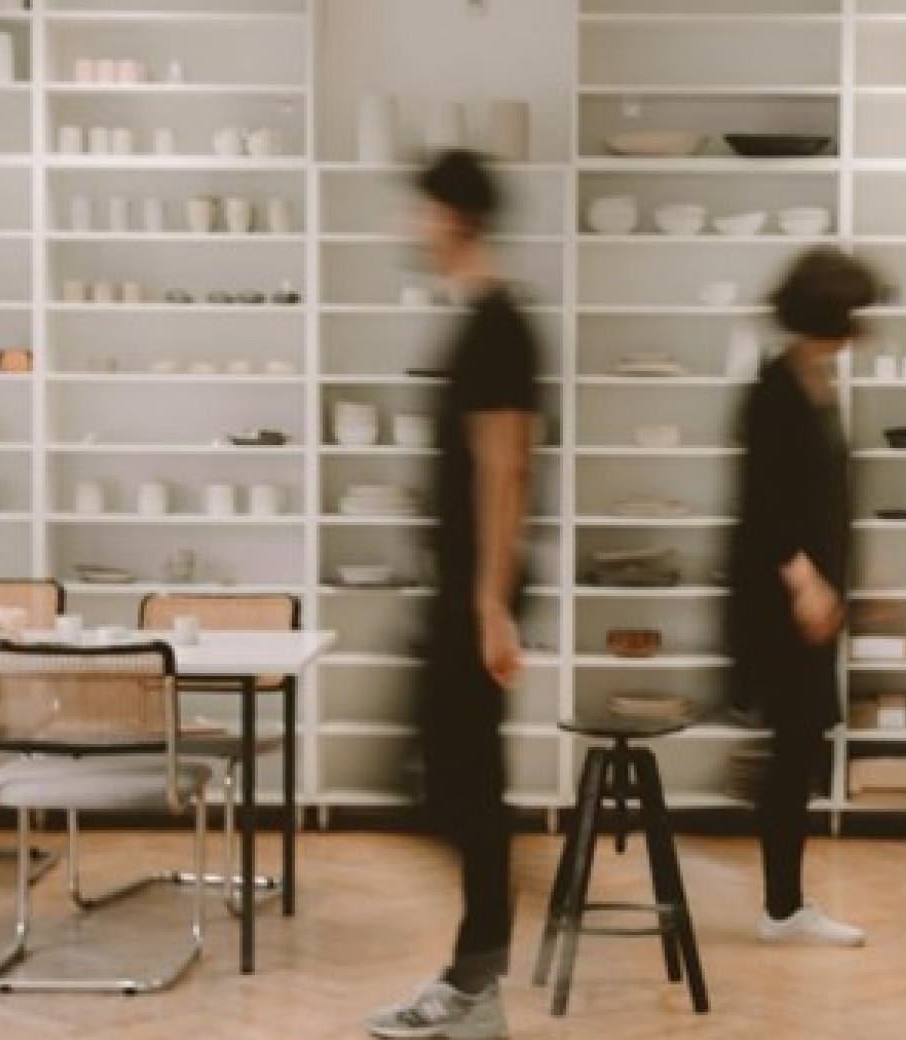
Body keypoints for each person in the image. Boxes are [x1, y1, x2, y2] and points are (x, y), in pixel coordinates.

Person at [367, 149, 540, 1040]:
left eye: (420, 210)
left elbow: (507, 469)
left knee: (461, 787)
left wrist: (490, 603)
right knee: (444, 780)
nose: (411, 227)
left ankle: (478, 986)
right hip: (460, 589)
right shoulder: (478, 320)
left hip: (477, 595)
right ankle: (479, 975)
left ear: (452, 216)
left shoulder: (500, 325)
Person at [725, 246, 878, 948]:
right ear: (830, 317)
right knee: (792, 747)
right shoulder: (775, 389)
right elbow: (765, 506)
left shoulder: (814, 382)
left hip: (810, 599)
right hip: (782, 602)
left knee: (800, 745)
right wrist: (807, 583)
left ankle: (785, 903)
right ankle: (782, 908)